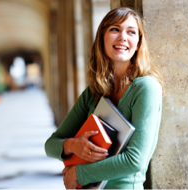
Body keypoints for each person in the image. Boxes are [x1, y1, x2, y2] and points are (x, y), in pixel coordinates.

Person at [45, 7, 164, 190]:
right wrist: (73, 145)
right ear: (102, 38)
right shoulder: (93, 92)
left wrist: (78, 174)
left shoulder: (146, 88)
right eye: (115, 29)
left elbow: (135, 161)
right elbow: (50, 145)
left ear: (139, 43)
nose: (123, 37)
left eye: (131, 32)